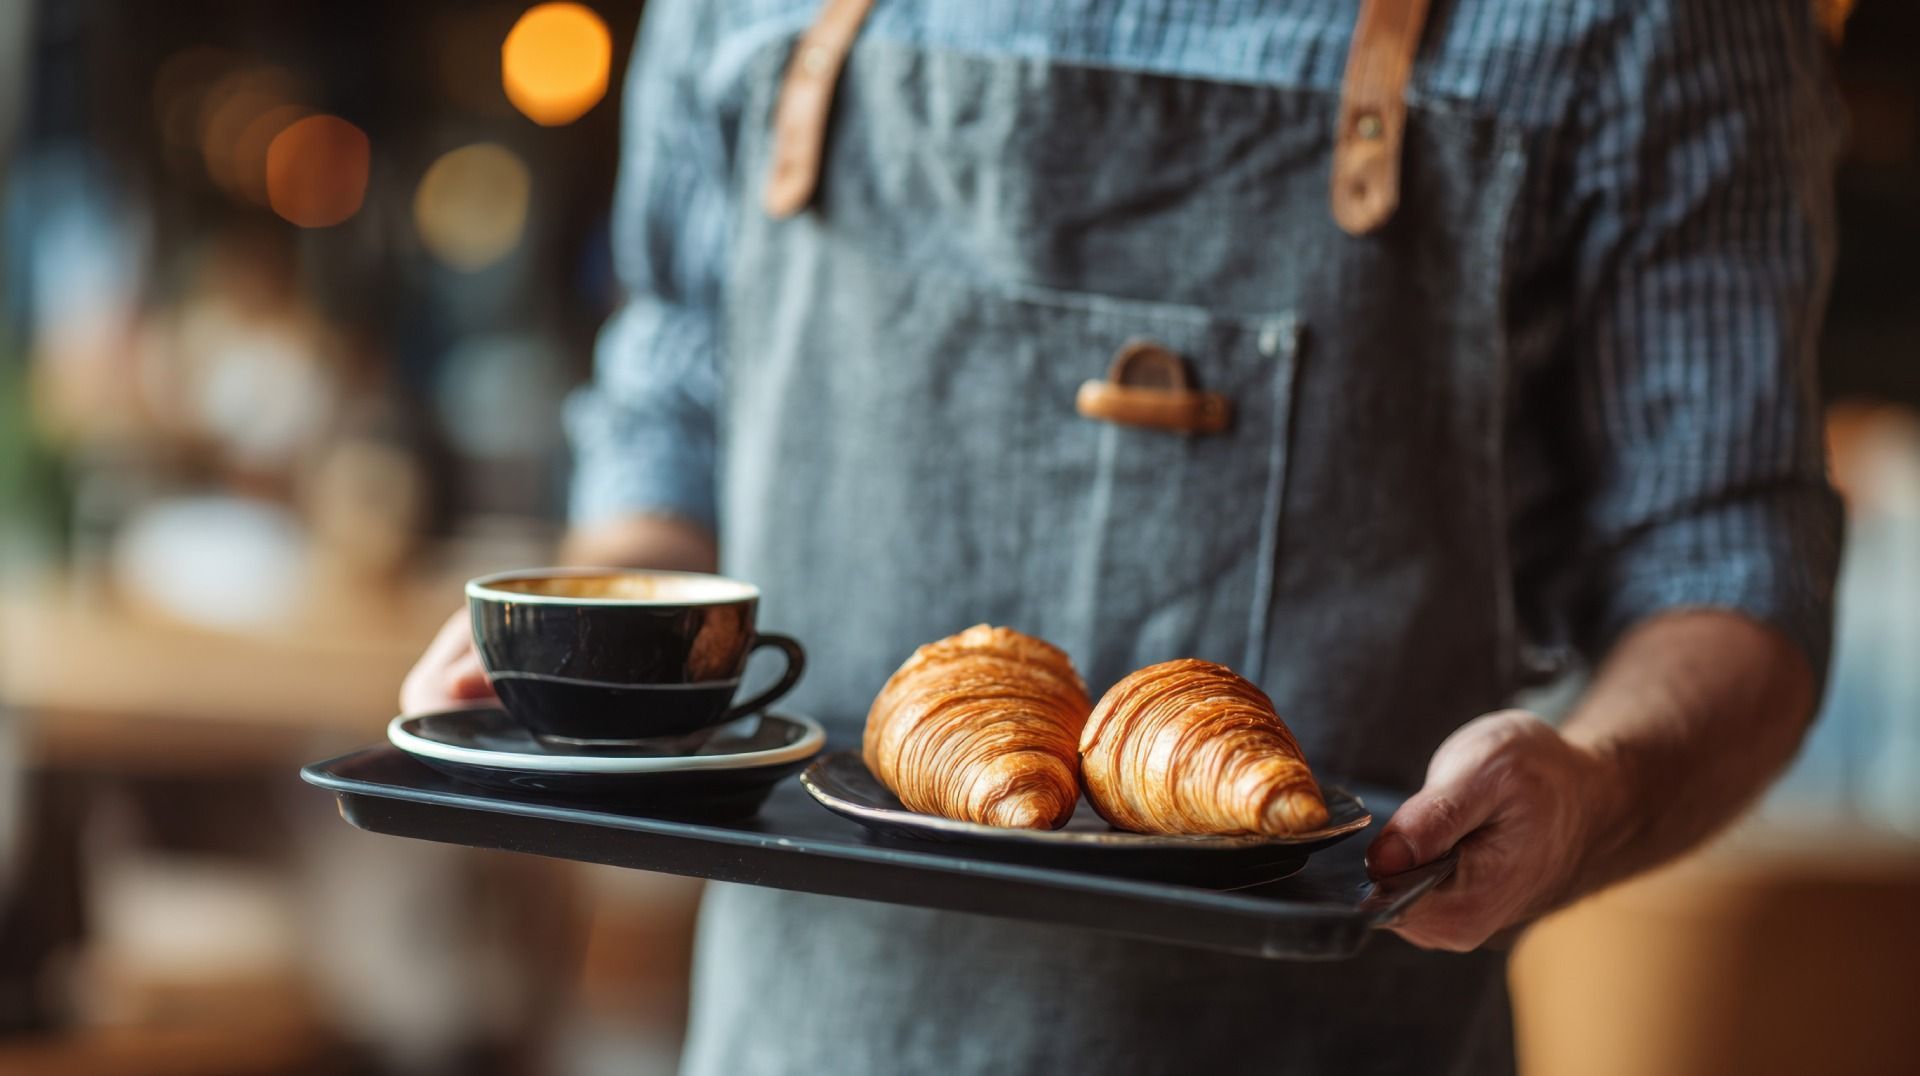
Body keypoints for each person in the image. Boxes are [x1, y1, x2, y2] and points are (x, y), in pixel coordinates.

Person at [403, 1, 1845, 1071]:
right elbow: (676, 382)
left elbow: (1725, 565)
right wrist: (609, 662)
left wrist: (1595, 787)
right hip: (796, 1038)